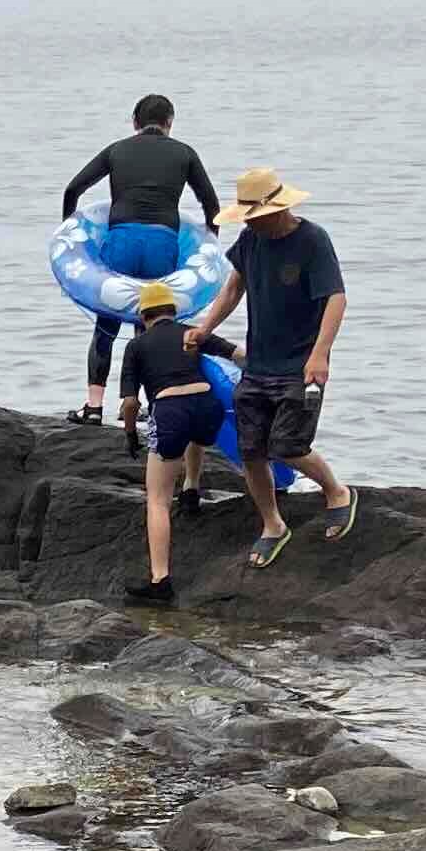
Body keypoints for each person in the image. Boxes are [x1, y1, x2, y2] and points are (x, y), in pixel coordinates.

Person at [185, 165, 356, 564]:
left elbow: (336, 298)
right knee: (252, 450)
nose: (251, 223)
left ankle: (337, 492)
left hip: (301, 364)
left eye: (256, 216)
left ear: (278, 209)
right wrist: (206, 328)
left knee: (289, 445)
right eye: (247, 217)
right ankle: (272, 524)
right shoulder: (250, 239)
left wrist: (320, 353)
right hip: (258, 364)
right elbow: (234, 287)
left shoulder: (312, 240)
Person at [59, 93, 223, 427]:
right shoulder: (184, 153)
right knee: (149, 327)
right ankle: (142, 405)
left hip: (121, 241)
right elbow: (211, 205)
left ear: (135, 122)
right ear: (170, 122)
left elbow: (73, 189)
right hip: (162, 243)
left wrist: (68, 233)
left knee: (106, 324)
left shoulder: (116, 150)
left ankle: (94, 407)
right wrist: (211, 246)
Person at [117, 289, 237, 605]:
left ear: (143, 317)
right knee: (195, 435)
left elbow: (130, 403)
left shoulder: (136, 346)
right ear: (173, 311)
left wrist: (130, 433)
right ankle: (191, 489)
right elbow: (237, 354)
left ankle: (160, 580)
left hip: (170, 412)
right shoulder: (192, 333)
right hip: (208, 407)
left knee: (157, 499)